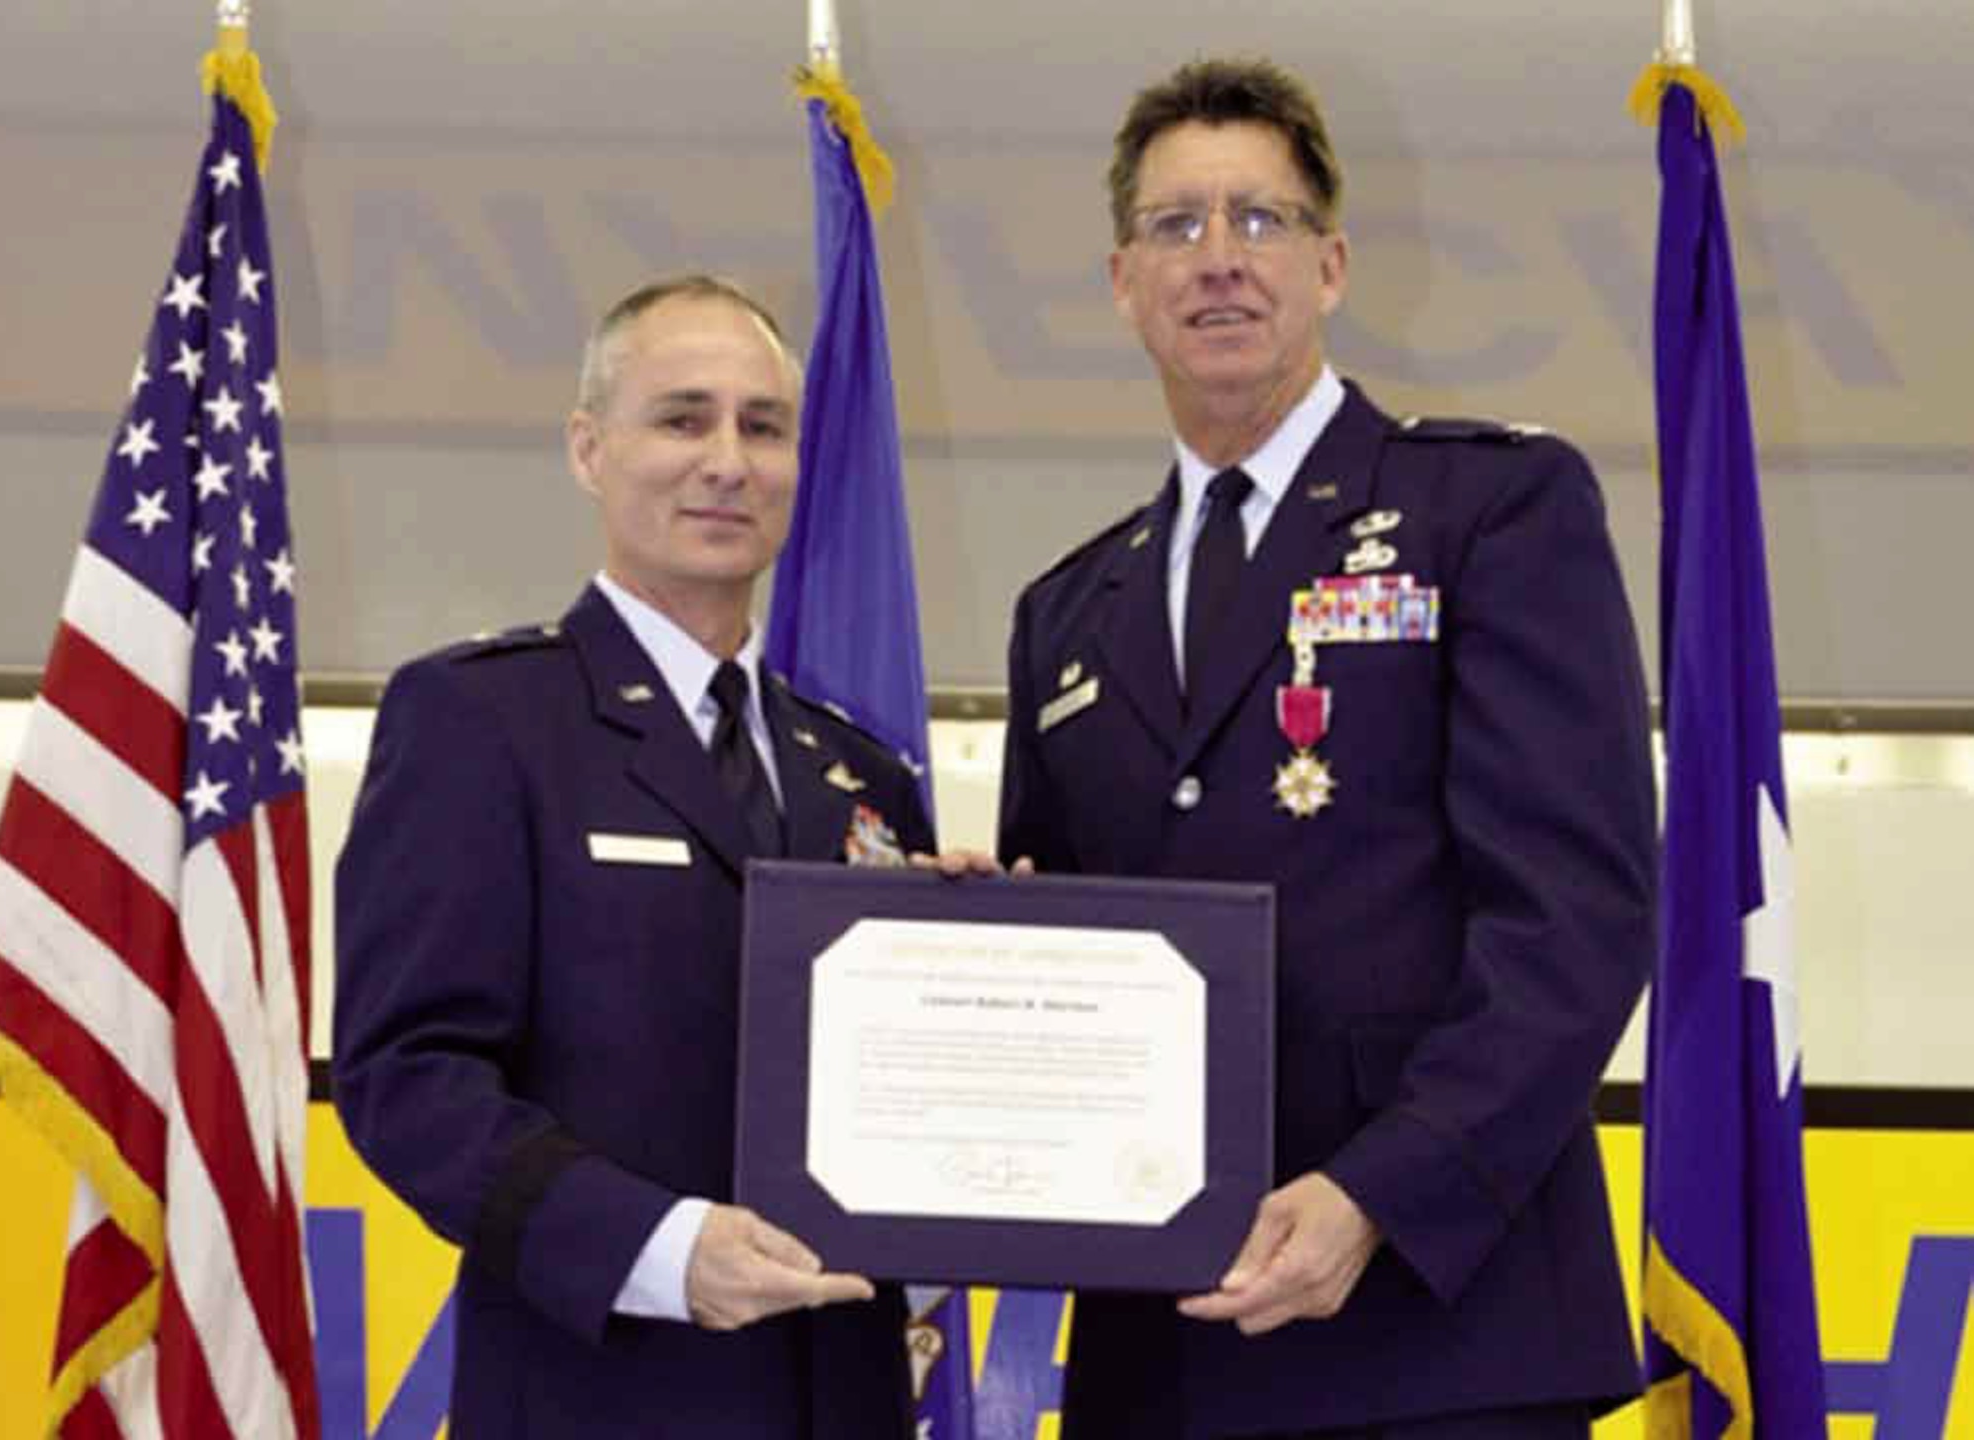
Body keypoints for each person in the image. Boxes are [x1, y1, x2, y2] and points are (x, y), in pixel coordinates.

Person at [998, 58, 1657, 1439]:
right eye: (1177, 227)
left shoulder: (1489, 507)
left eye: (1263, 220)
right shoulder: (1065, 612)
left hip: (1440, 1332)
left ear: (1333, 264)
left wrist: (1379, 1195)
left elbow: (1576, 918)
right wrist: (973, 934)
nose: (1220, 261)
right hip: (1162, 1350)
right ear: (1124, 282)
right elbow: (1066, 955)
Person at [333, 275, 932, 1439]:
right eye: (681, 418)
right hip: (595, 1391)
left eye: (762, 426)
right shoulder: (482, 721)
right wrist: (658, 1251)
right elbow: (406, 1076)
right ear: (588, 447)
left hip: (842, 1400)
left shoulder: (863, 778)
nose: (726, 461)